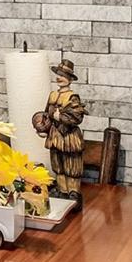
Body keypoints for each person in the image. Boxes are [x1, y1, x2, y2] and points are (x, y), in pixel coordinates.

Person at [34, 59, 87, 198]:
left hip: (69, 137)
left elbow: (77, 118)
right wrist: (44, 129)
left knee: (71, 165)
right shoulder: (52, 95)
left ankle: (73, 192)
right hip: (55, 136)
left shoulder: (72, 97)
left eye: (63, 75)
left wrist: (61, 118)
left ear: (70, 79)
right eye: (58, 74)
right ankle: (62, 191)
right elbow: (47, 114)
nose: (59, 77)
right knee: (58, 165)